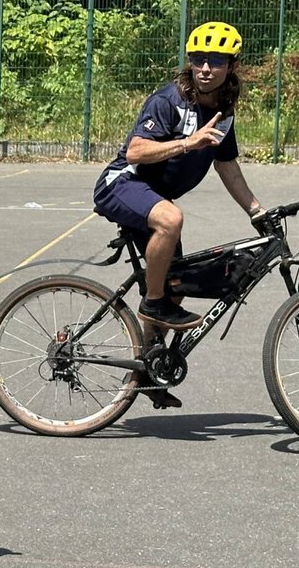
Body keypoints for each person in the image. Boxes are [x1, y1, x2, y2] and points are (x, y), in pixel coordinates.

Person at [93, 20, 266, 340]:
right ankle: (152, 302)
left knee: (176, 284)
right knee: (171, 220)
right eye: (197, 58)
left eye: (215, 61)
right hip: (121, 185)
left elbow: (227, 166)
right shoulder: (170, 100)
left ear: (232, 66)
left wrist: (257, 211)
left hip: (153, 196)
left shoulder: (223, 112)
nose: (204, 68)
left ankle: (149, 367)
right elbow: (135, 151)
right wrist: (187, 143)